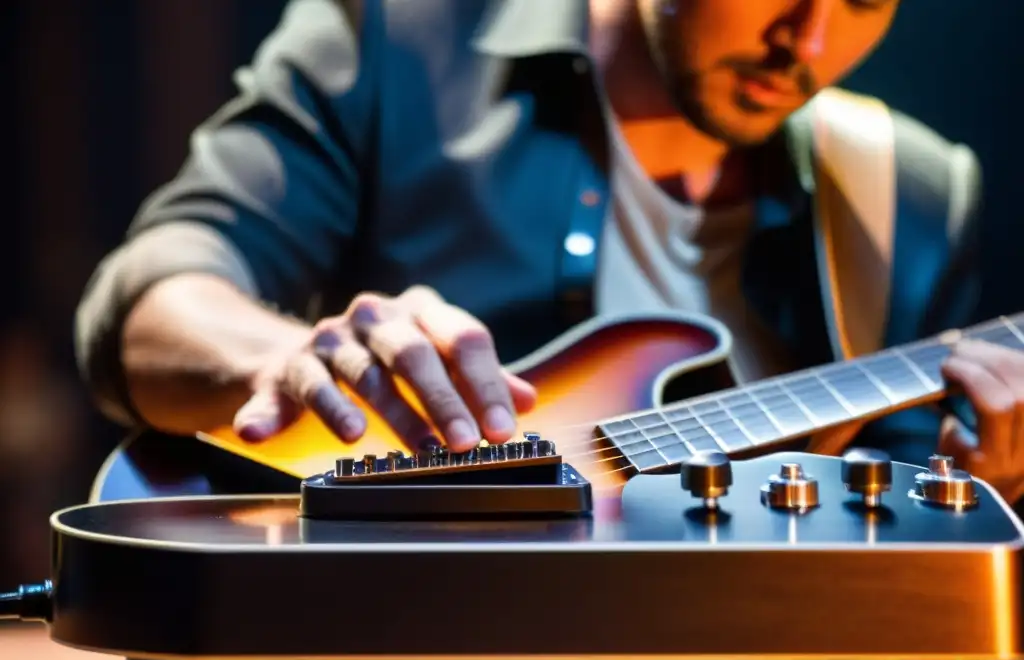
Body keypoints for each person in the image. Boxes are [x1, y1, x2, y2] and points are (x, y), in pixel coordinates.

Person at [74, 0, 1024, 506]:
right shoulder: (394, 38)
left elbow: (903, 537)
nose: (807, 41)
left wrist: (987, 485)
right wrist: (288, 362)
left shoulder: (919, 195)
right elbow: (150, 298)